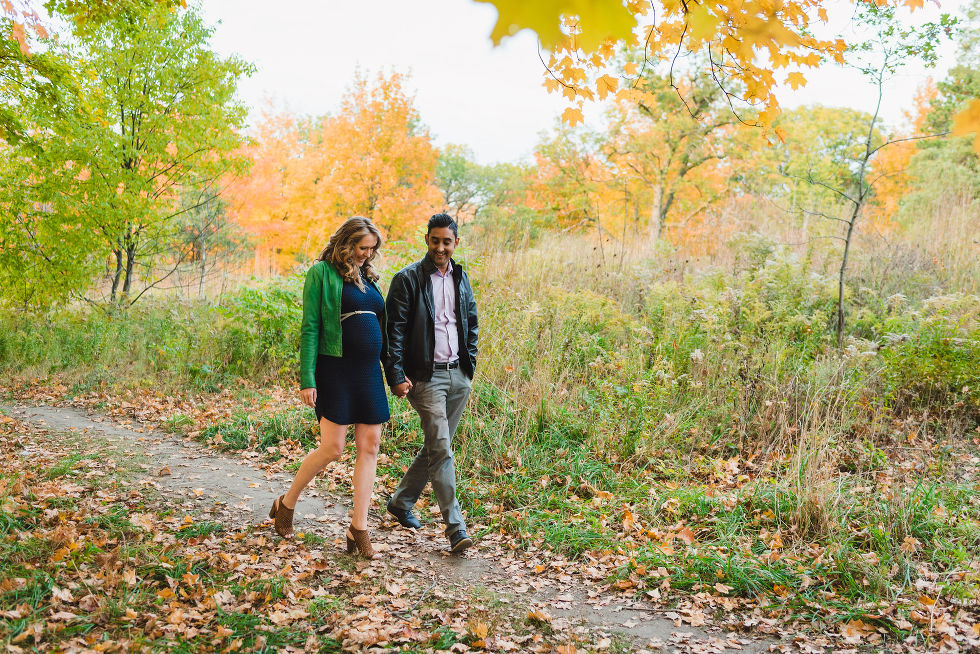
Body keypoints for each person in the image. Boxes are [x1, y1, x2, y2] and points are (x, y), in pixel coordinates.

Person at [269, 216, 390, 559]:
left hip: (368, 372)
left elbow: (383, 327)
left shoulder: (369, 278)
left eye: (371, 249)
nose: (367, 254)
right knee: (333, 448)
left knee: (370, 445)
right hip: (334, 368)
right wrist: (308, 378)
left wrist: (394, 373)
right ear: (346, 243)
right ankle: (287, 503)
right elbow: (310, 328)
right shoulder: (321, 273)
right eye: (362, 247)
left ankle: (359, 527)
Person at [383, 213, 478, 553]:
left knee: (438, 446)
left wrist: (470, 364)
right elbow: (393, 330)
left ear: (455, 243)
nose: (441, 247)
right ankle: (456, 528)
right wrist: (395, 373)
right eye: (435, 240)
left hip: (458, 375)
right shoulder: (407, 279)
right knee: (442, 449)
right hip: (425, 377)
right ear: (427, 239)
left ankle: (401, 502)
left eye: (447, 241)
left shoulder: (461, 276)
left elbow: (470, 320)